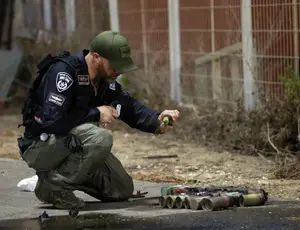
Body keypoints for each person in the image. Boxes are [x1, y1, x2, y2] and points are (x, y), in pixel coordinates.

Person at [17, 30, 180, 210]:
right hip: (40, 146)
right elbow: (51, 120)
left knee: (121, 189)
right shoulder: (64, 72)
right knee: (101, 138)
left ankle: (60, 177)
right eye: (115, 65)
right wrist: (96, 113)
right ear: (96, 57)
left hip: (72, 144)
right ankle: (53, 187)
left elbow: (128, 106)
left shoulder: (103, 80)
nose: (119, 71)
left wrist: (157, 120)